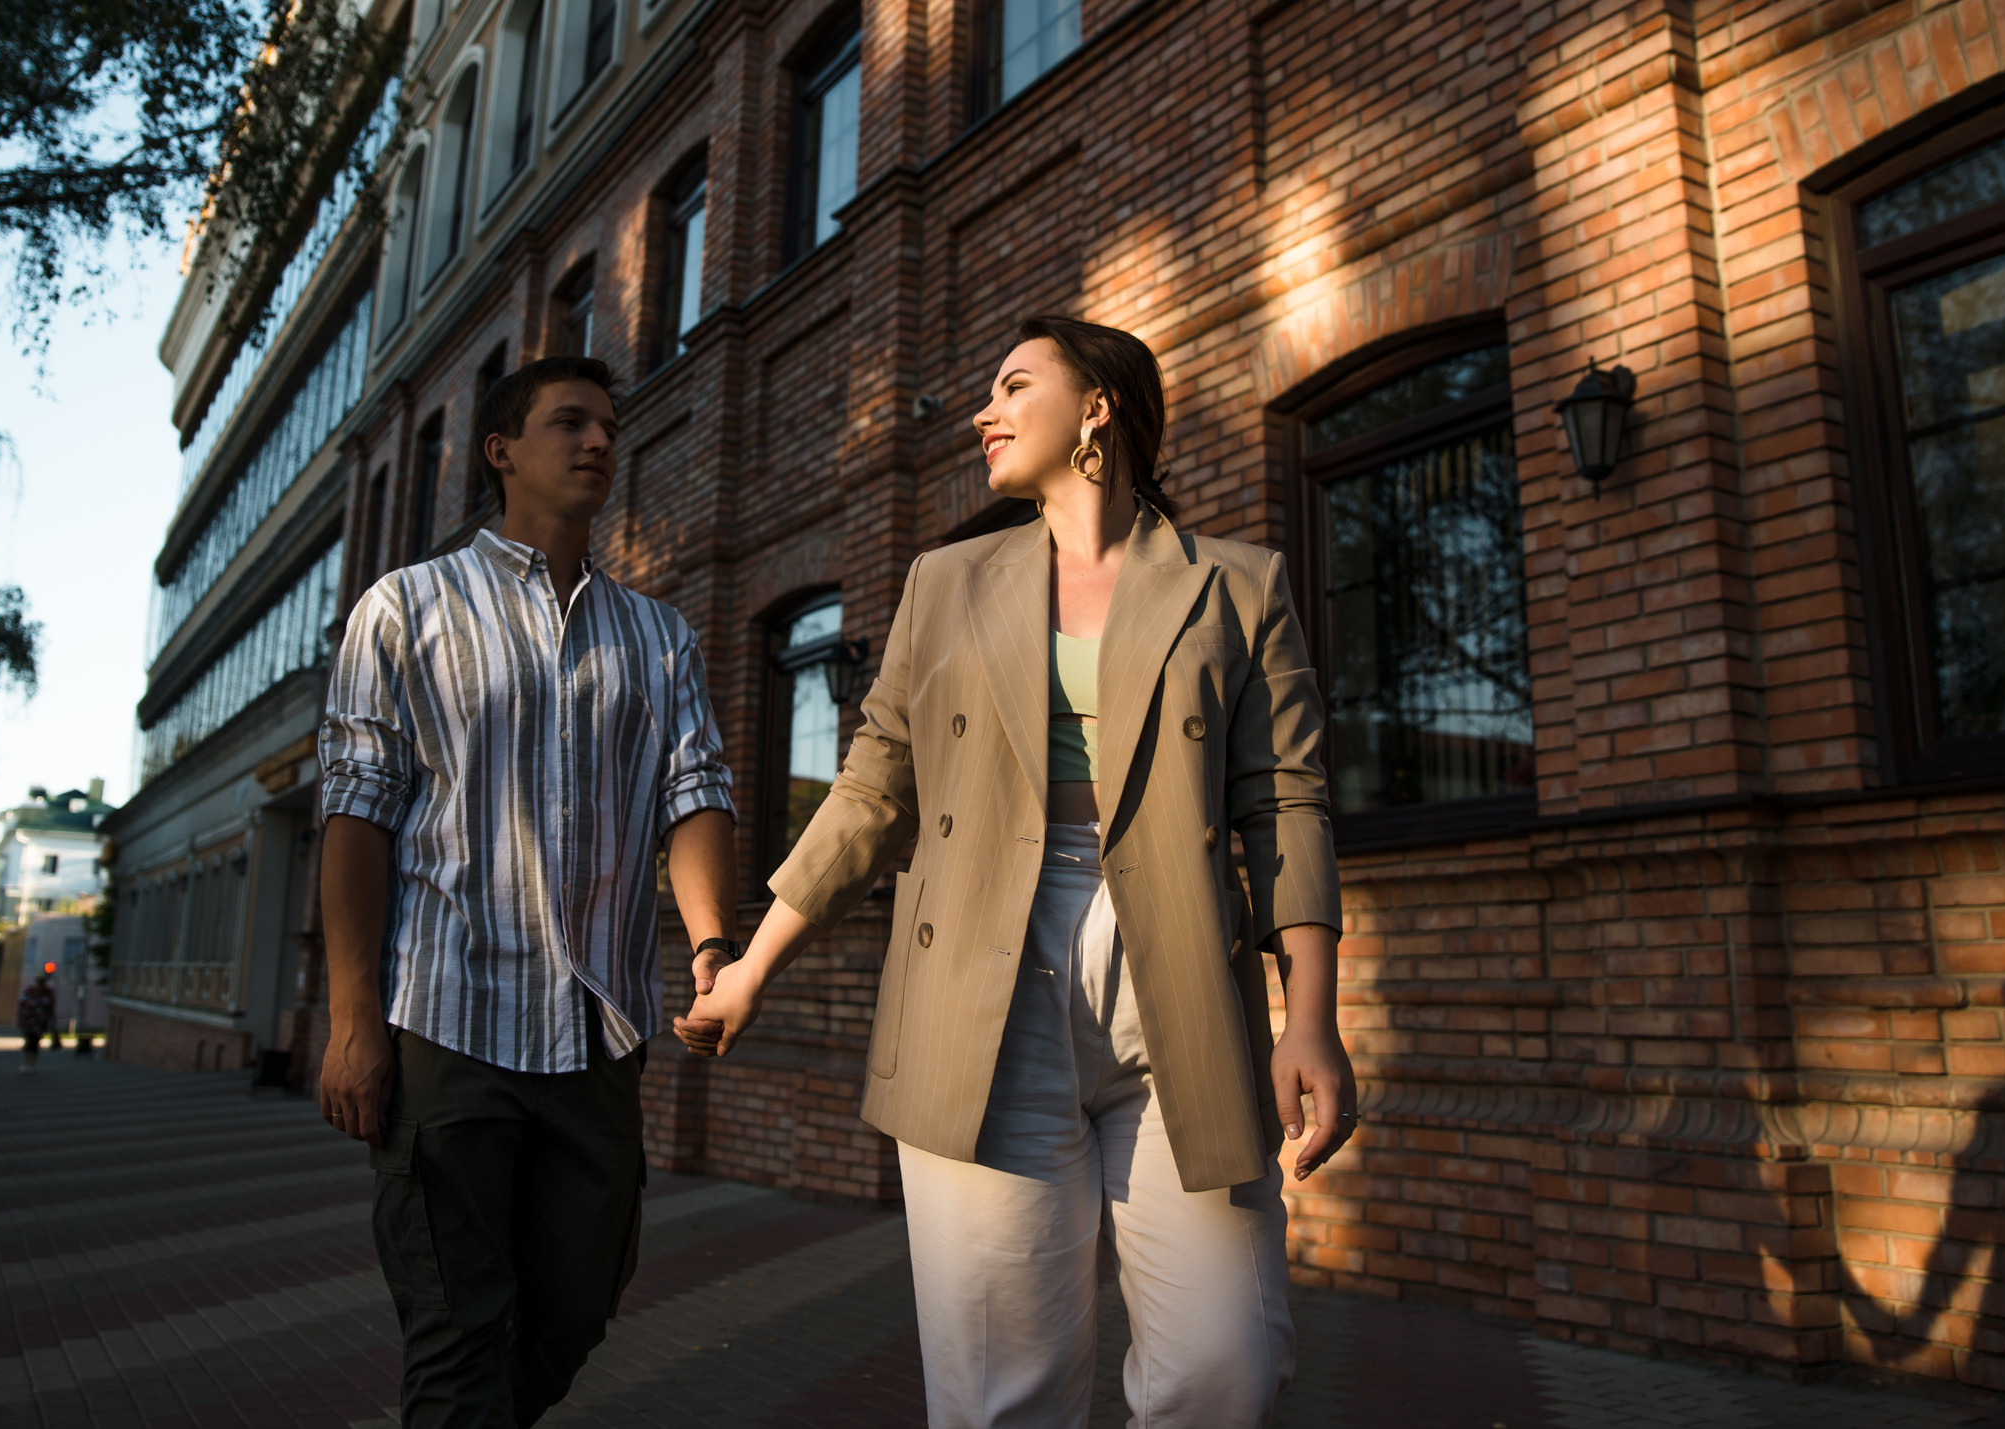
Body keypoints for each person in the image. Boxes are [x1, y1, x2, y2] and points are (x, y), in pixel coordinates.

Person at [680, 316, 1355, 1429]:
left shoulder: (1238, 585)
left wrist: (1309, 1017)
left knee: (1222, 1368)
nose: (984, 413)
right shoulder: (944, 581)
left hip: (1182, 981)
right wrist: (753, 961)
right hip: (979, 996)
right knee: (1005, 1393)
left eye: (1012, 385)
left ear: (1098, 406)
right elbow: (870, 792)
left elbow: (1285, 800)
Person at [314, 354, 741, 1429]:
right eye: (569, 423)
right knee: (458, 1330)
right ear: (502, 450)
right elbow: (357, 816)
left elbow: (695, 792)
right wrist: (353, 1018)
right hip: (444, 1027)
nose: (599, 440)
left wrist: (708, 945)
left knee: (572, 1308)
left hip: (595, 1034)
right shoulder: (402, 608)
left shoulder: (659, 635)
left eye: (607, 424)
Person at [16, 972, 55, 1074]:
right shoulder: (29, 991)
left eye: (42, 982)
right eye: (39, 982)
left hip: (40, 1023)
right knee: (28, 1042)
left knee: (35, 1043)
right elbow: (21, 1004)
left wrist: (51, 1022)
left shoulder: (48, 993)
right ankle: (25, 1064)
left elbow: (50, 1008)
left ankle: (31, 1064)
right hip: (28, 1021)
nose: (41, 984)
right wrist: (20, 1019)